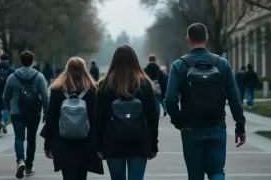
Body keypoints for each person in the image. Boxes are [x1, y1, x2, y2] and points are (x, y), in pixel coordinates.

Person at [166, 23, 246, 180]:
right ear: (207, 39)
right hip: (216, 125)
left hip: (190, 128)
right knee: (217, 171)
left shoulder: (179, 65)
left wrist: (179, 123)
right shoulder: (222, 63)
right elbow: (234, 97)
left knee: (195, 175)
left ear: (188, 41)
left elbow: (170, 99)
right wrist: (240, 126)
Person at [94, 45, 159, 180]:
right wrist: (153, 144)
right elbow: (153, 116)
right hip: (140, 142)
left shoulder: (104, 85)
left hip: (112, 143)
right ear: (135, 60)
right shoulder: (145, 84)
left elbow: (98, 118)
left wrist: (99, 145)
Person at [44, 57, 103, 180]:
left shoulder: (57, 89)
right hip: (85, 141)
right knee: (82, 175)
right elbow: (96, 118)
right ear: (84, 70)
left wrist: (48, 145)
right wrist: (99, 143)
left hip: (63, 141)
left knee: (68, 175)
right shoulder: (92, 90)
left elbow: (51, 118)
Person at [3, 51, 49, 179]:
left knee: (19, 137)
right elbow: (45, 96)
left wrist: (10, 109)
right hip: (34, 112)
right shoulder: (39, 76)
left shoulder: (12, 77)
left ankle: (20, 161)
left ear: (20, 61)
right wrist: (46, 112)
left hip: (17, 111)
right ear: (32, 61)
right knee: (31, 139)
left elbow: (5, 96)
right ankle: (29, 167)